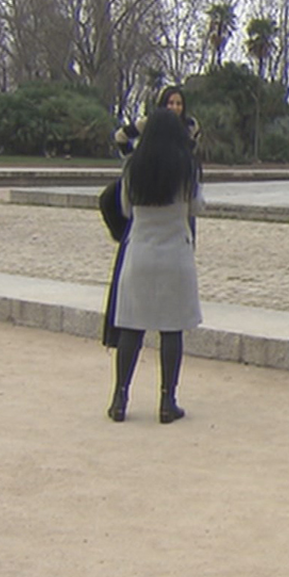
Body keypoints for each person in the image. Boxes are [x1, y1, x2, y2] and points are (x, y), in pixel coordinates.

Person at [106, 109, 204, 424]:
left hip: (140, 252)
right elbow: (197, 206)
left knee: (132, 328)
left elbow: (124, 206)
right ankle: (167, 400)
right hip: (176, 252)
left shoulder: (134, 166)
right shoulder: (186, 167)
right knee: (172, 329)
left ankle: (120, 397)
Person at [114, 85, 201, 155]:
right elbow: (120, 136)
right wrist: (133, 160)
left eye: (179, 104)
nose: (175, 107)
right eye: (170, 103)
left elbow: (191, 153)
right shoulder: (148, 123)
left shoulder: (191, 126)